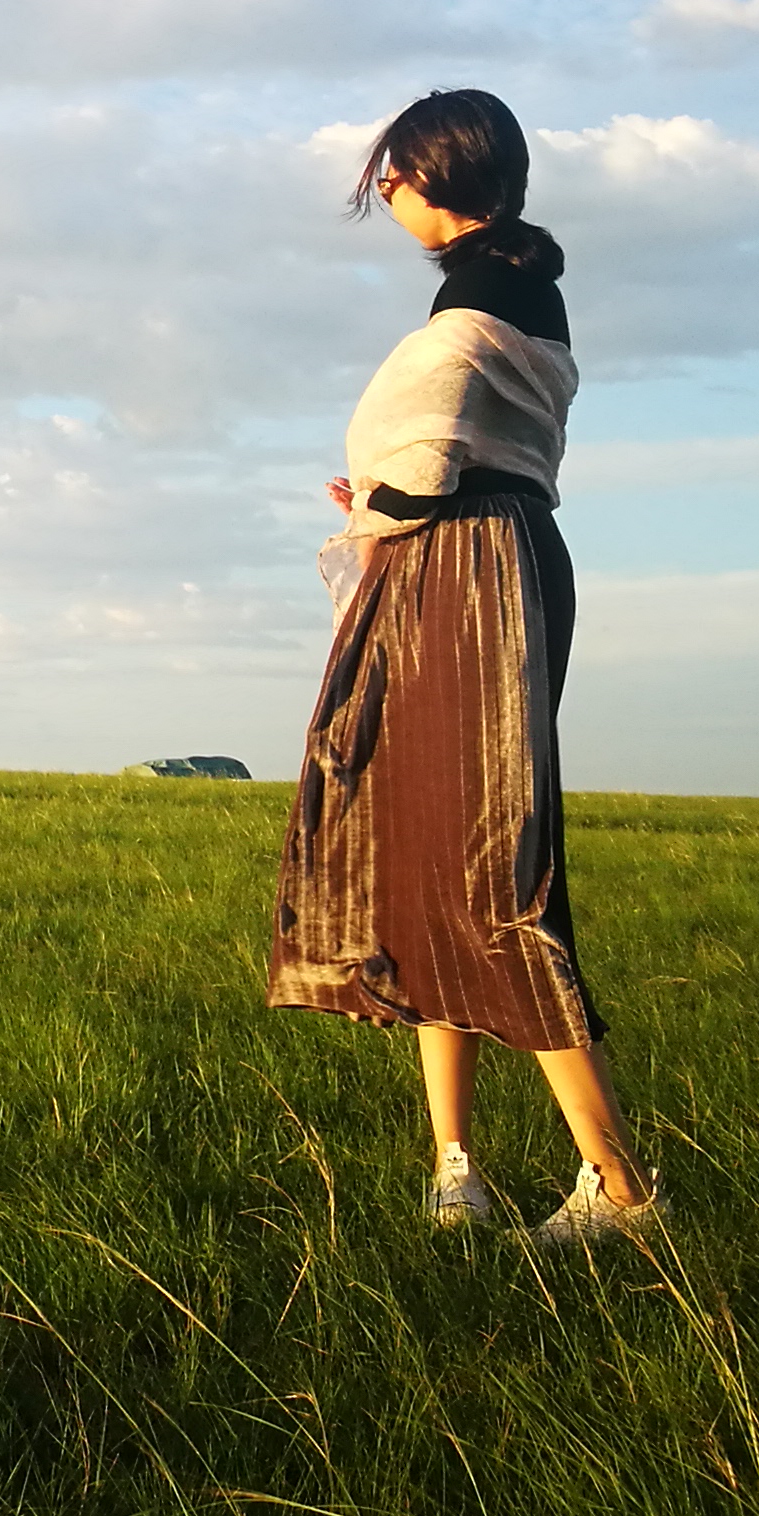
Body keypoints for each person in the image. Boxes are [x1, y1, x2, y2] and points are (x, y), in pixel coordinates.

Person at [265, 88, 661, 1247]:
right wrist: (390, 495)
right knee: (424, 856)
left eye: (391, 173)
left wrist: (390, 494)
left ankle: (622, 1190)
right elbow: (475, 446)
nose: (382, 190)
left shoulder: (482, 294)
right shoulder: (507, 287)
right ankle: (455, 1166)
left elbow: (439, 452)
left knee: (484, 865)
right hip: (485, 561)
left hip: (467, 579)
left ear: (438, 175)